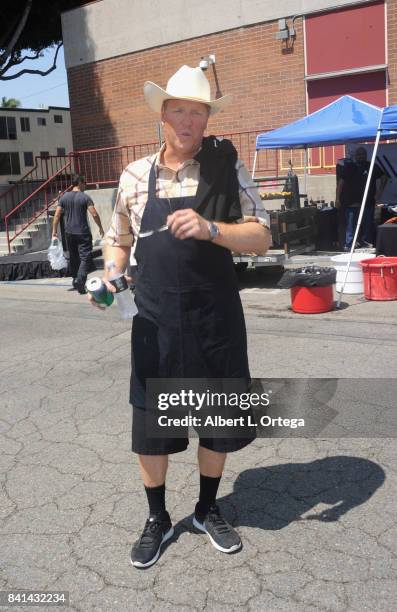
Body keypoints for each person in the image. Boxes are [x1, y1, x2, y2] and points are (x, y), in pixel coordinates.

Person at [89, 65, 271, 568]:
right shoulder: (133, 176)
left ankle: (206, 509)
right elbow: (117, 239)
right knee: (152, 425)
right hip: (155, 319)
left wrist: (213, 227)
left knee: (216, 421)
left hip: (214, 316)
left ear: (207, 119)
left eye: (198, 111)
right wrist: (110, 274)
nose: (189, 120)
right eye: (179, 110)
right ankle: (157, 518)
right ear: (162, 115)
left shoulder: (223, 171)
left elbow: (262, 236)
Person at [52, 175, 104, 293]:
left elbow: (57, 215)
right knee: (85, 257)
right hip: (83, 232)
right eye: (84, 182)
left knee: (74, 257)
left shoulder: (64, 197)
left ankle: (75, 279)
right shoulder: (85, 197)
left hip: (69, 233)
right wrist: (100, 227)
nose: (85, 185)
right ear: (79, 183)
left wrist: (54, 231)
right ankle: (80, 281)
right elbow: (94, 214)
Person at [335, 147, 387, 250]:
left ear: (366, 155)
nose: (361, 156)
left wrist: (379, 193)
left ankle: (366, 243)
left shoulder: (371, 166)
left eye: (363, 154)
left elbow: (384, 177)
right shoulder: (349, 167)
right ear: (355, 156)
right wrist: (337, 198)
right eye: (359, 154)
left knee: (368, 224)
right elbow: (340, 183)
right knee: (351, 226)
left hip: (367, 202)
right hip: (351, 202)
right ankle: (349, 244)